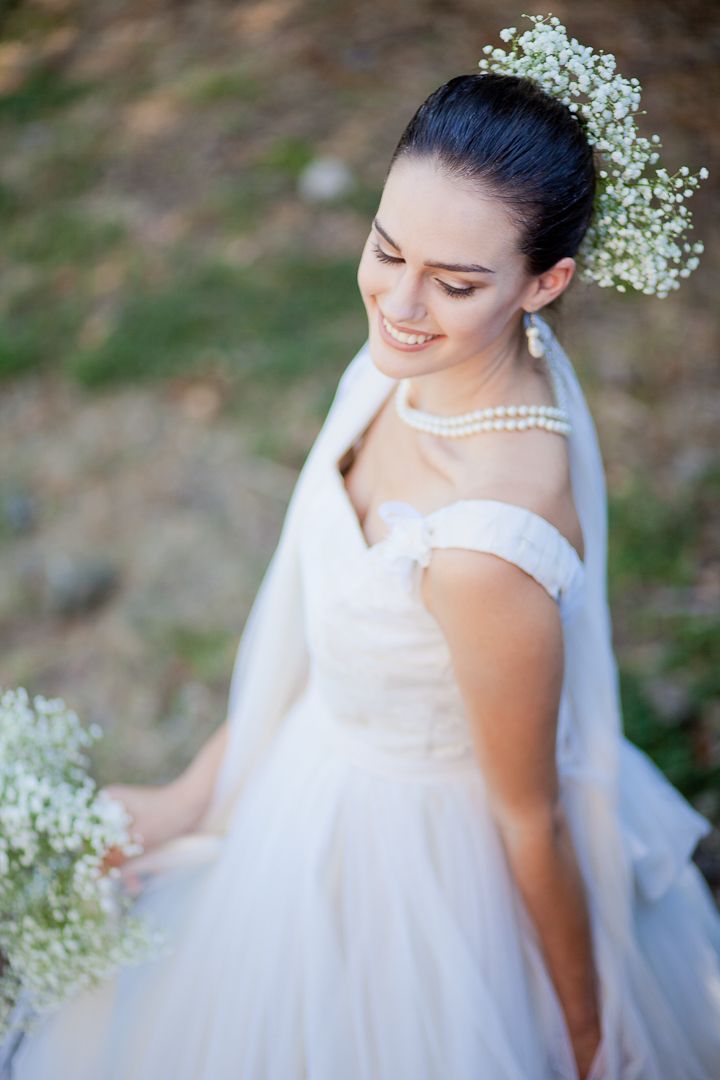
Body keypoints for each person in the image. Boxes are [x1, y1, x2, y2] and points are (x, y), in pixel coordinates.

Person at [14, 17, 720, 1080]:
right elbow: (319, 629)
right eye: (387, 248)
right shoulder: (419, 358)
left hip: (422, 878)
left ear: (546, 284)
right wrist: (198, 796)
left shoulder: (485, 549)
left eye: (455, 281)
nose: (396, 304)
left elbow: (530, 820)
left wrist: (586, 1035)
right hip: (308, 771)